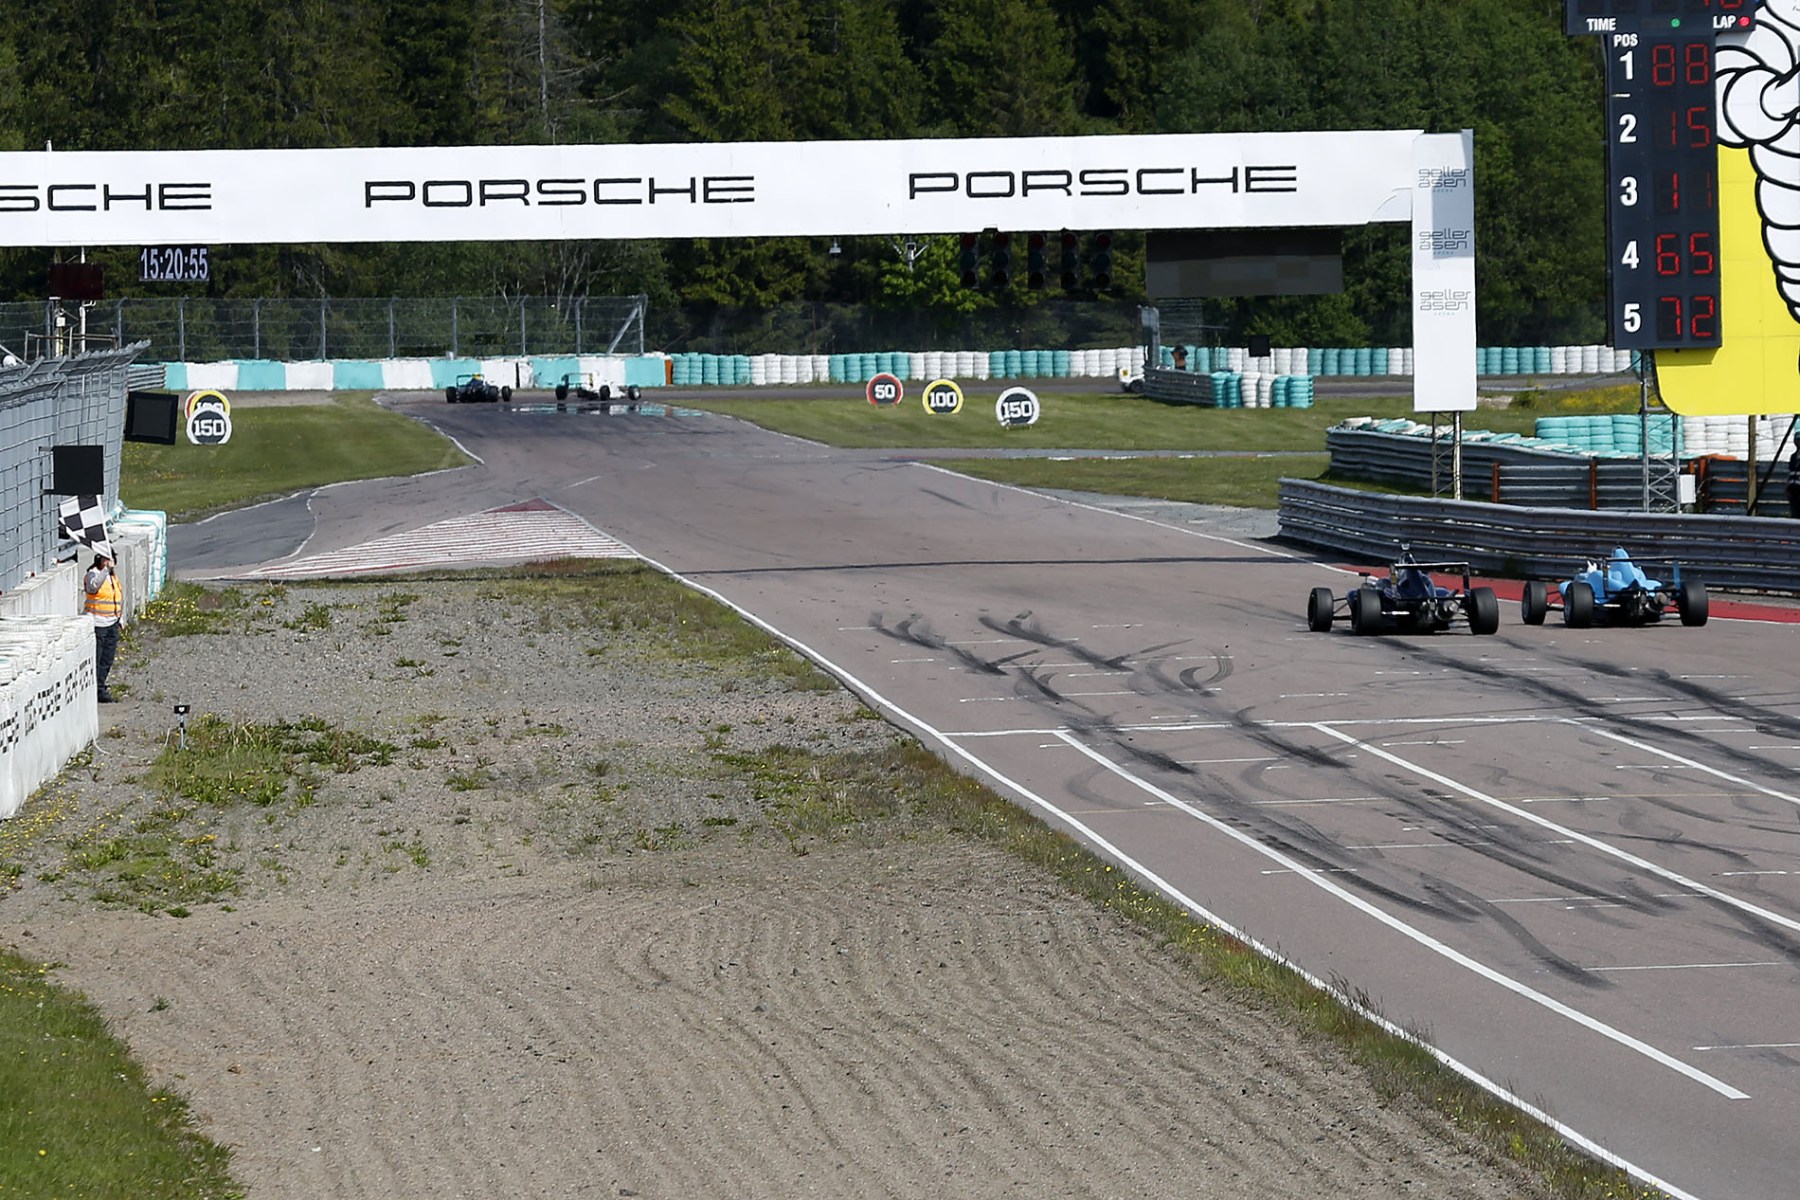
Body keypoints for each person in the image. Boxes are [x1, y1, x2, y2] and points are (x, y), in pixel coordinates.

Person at [84, 551, 121, 702]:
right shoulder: (93, 574)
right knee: (97, 659)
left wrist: (120, 618)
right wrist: (105, 570)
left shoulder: (112, 576)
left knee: (107, 658)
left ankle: (100, 685)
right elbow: (93, 587)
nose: (111, 563)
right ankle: (96, 689)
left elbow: (116, 597)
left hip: (112, 622)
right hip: (98, 623)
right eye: (108, 559)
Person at [1788, 449, 1800, 519]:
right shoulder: (1793, 456)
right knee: (1795, 512)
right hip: (1793, 489)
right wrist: (1787, 487)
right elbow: (1790, 472)